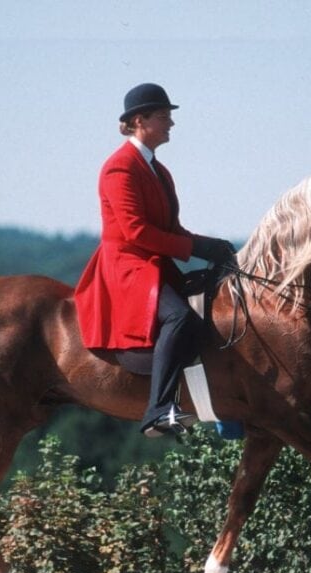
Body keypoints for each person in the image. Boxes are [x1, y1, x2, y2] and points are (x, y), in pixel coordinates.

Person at [74, 83, 235, 437]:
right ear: (139, 120)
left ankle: (224, 402)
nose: (171, 124)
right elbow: (135, 232)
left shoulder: (159, 171)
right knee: (178, 318)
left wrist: (212, 246)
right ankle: (158, 410)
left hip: (155, 266)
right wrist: (195, 249)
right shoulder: (119, 168)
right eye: (164, 116)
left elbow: (171, 227)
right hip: (127, 266)